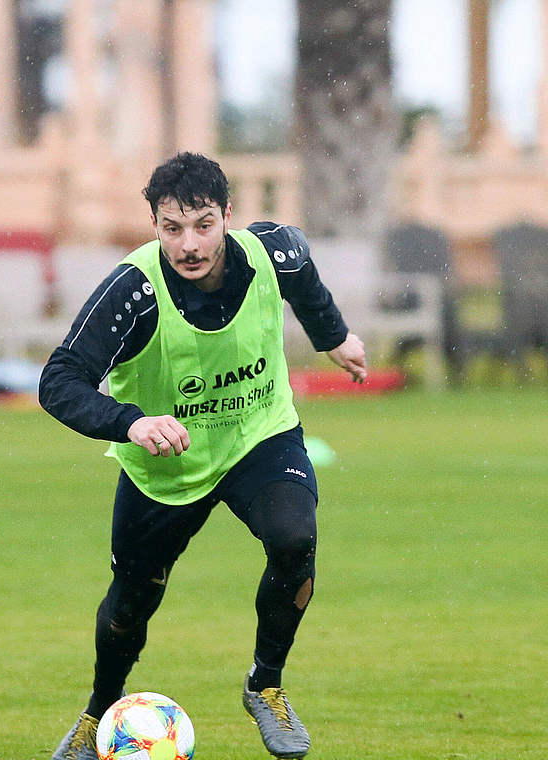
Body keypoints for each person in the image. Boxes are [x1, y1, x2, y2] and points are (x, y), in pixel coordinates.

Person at [40, 153, 367, 760]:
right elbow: (58, 381)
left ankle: (265, 684)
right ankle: (97, 713)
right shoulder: (133, 290)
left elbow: (308, 287)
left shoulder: (275, 250)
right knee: (129, 606)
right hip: (165, 468)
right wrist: (131, 422)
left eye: (203, 225)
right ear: (154, 226)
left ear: (228, 219)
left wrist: (336, 339)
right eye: (172, 229)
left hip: (258, 438)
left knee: (295, 540)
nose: (189, 244)